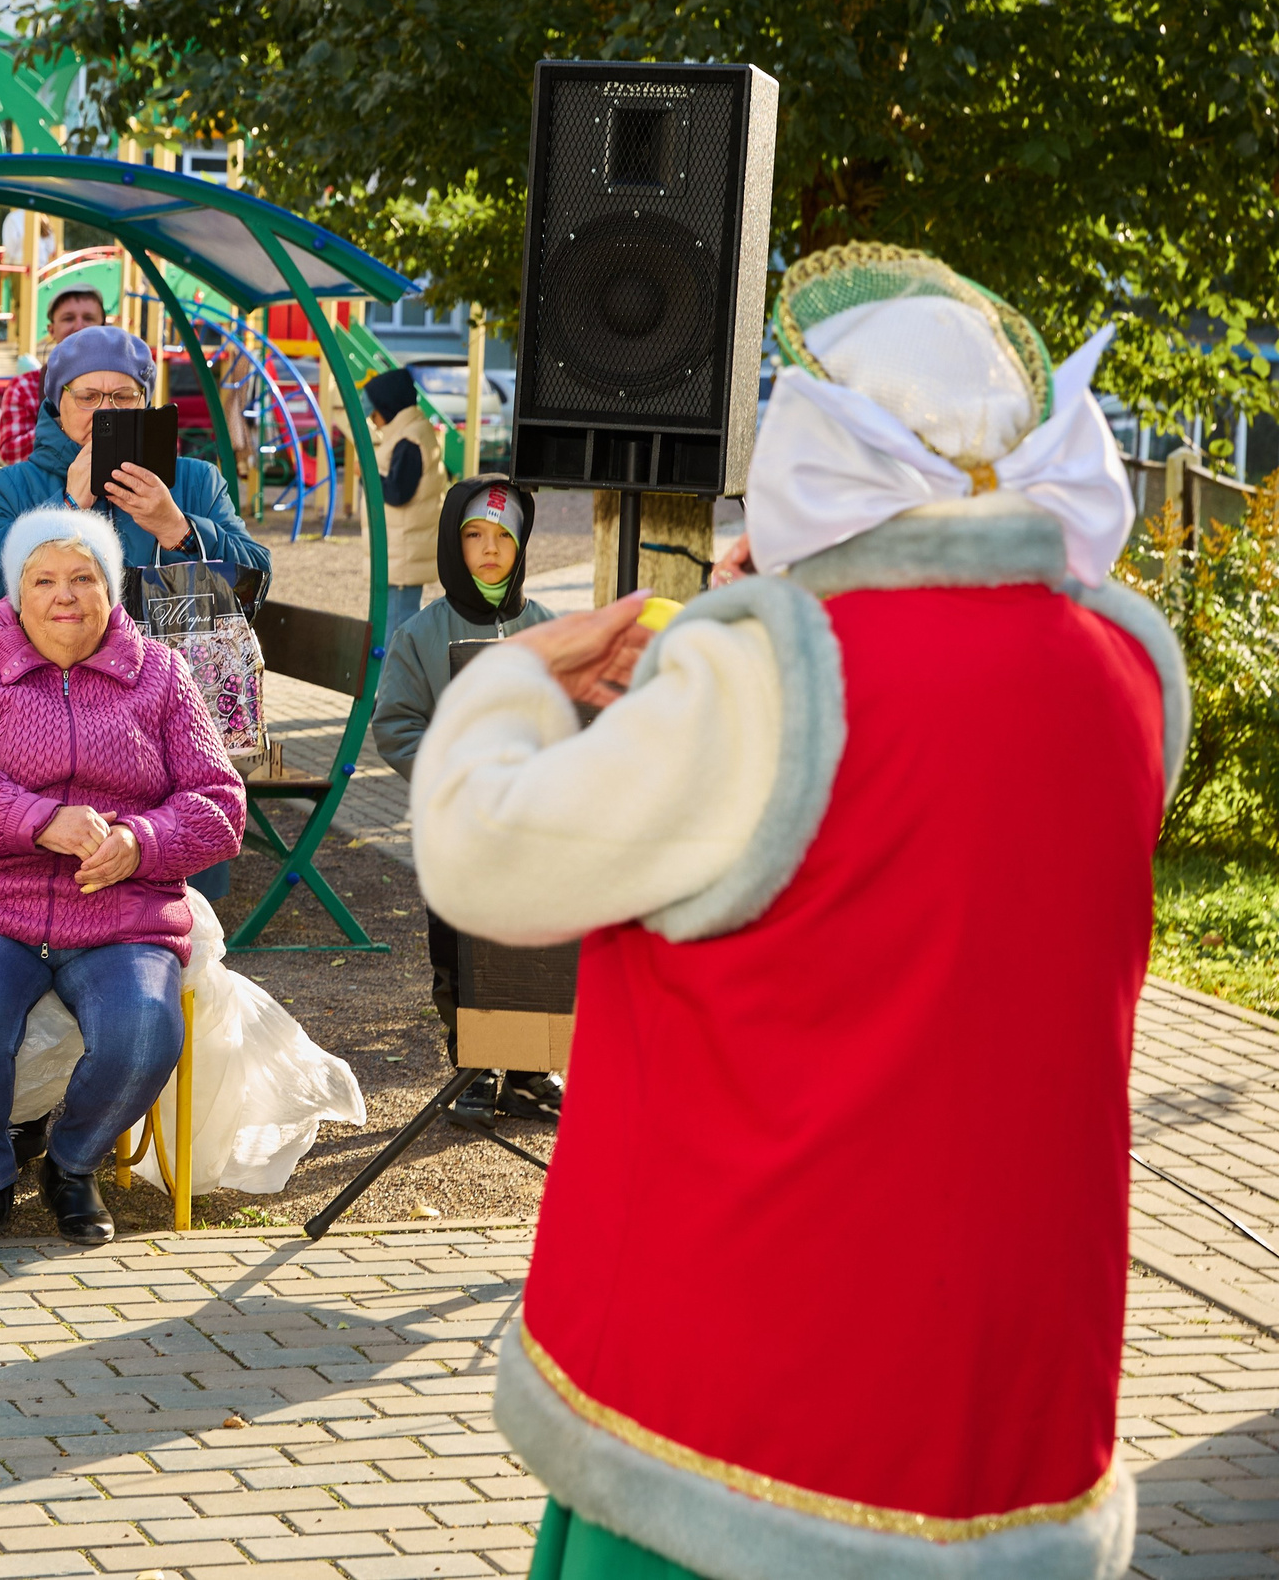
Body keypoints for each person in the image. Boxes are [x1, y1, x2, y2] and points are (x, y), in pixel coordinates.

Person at [414, 247, 1182, 1578]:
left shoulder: (766, 674)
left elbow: (486, 859)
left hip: (742, 1397)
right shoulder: (1130, 660)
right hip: (1007, 1394)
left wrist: (520, 680)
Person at [0, 508, 245, 1249]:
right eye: (44, 579)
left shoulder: (161, 675)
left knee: (145, 1028)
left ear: (112, 588)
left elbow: (219, 803)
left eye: (84, 577)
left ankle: (72, 1164)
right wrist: (36, 819)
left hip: (122, 911)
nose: (65, 595)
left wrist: (140, 838)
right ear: (17, 593)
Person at [370, 475, 556, 1123]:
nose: (488, 549)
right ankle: (474, 1067)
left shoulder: (546, 629)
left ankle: (529, 1072)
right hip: (457, 827)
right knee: (462, 951)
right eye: (474, 535)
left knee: (533, 945)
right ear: (453, 541)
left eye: (502, 537)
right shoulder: (422, 634)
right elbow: (395, 725)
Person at [0, 326, 269, 626]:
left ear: (144, 401)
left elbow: (255, 584)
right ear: (57, 406)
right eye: (88, 397)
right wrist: (64, 509)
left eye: (123, 396)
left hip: (170, 675)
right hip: (51, 678)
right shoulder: (14, 485)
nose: (106, 411)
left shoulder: (198, 480)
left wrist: (178, 529)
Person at [364, 368, 452, 634]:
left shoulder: (409, 440)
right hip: (403, 550)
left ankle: (395, 677)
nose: (374, 420)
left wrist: (367, 476)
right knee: (396, 623)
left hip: (402, 553)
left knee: (396, 628)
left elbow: (398, 493)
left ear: (389, 408)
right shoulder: (414, 431)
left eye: (376, 412)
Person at [0, 285, 105, 465]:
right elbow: (10, 454)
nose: (78, 326)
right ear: (51, 329)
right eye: (68, 318)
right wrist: (65, 422)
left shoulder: (119, 385)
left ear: (103, 327)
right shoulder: (25, 386)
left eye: (88, 318)